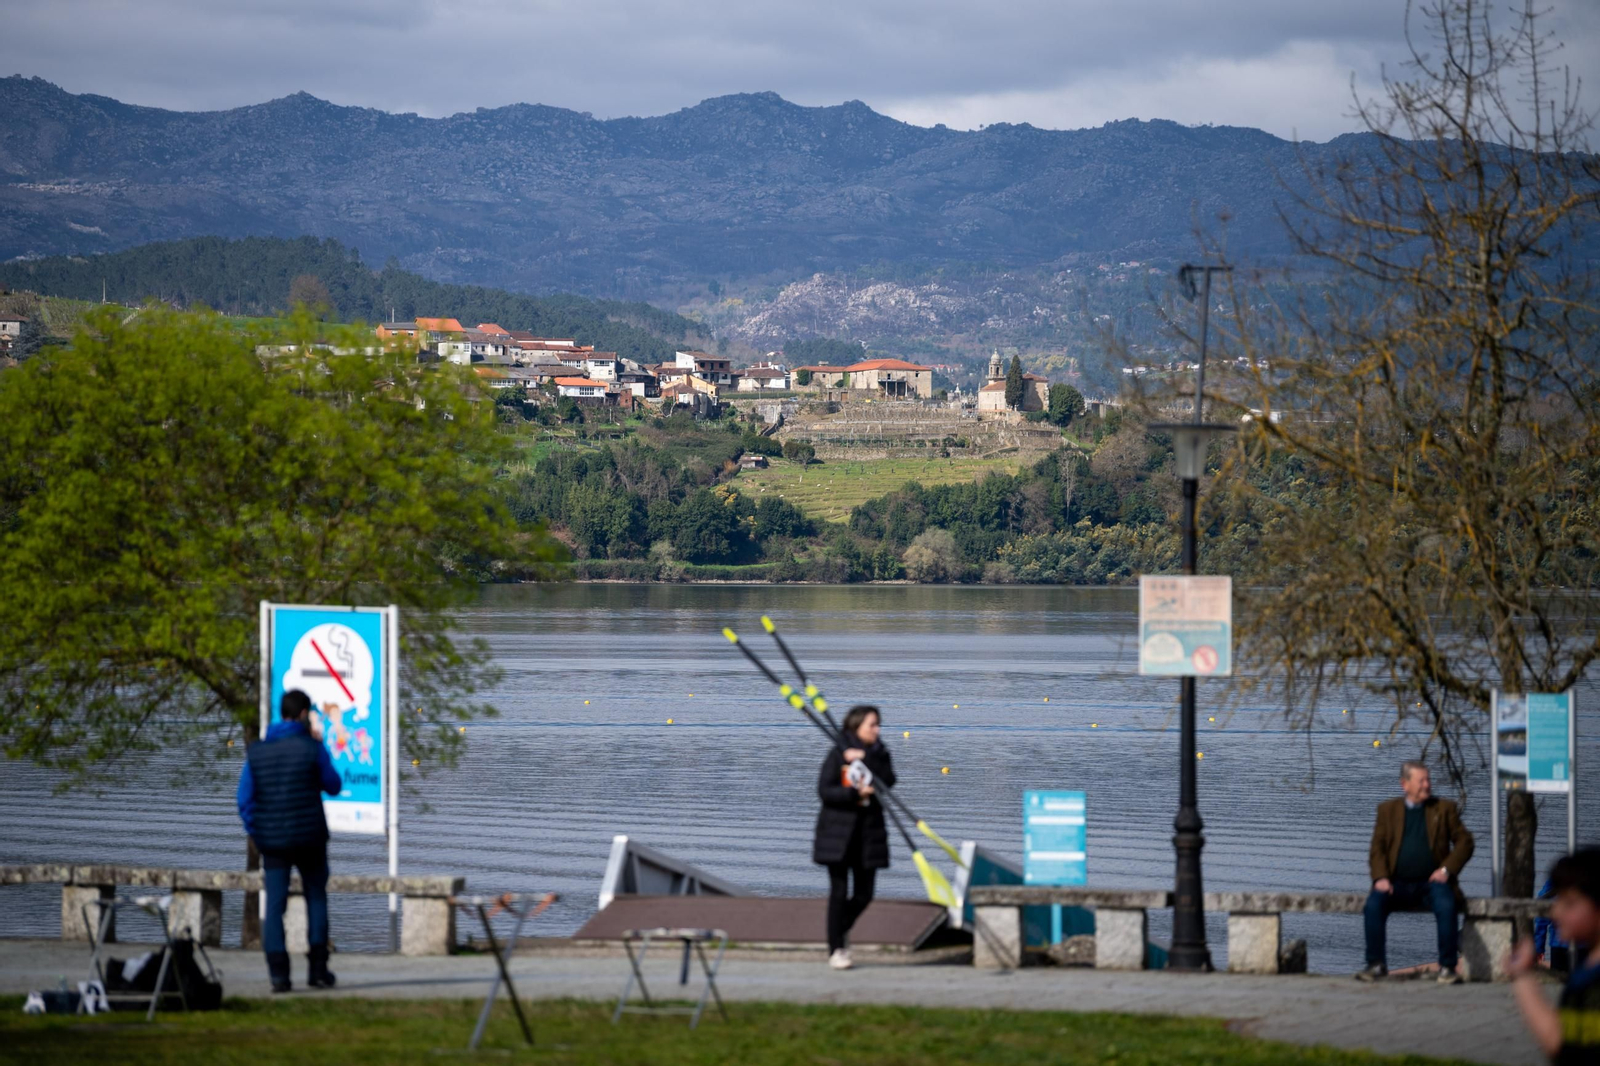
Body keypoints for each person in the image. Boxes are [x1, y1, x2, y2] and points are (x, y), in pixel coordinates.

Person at [237, 689, 342, 993]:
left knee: (275, 905)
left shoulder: (257, 751)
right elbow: (333, 785)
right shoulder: (312, 748)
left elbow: (244, 800)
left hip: (273, 842)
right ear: (301, 714)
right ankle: (318, 971)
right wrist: (321, 747)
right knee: (317, 898)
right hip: (310, 838)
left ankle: (279, 976)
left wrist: (258, 832)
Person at [1357, 760, 1475, 983]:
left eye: (1428, 780)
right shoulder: (1388, 810)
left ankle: (1447, 967)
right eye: (1421, 781)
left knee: (1446, 905)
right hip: (1395, 883)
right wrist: (1380, 877)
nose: (1427, 785)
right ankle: (1375, 964)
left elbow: (1465, 842)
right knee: (1373, 905)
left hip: (1432, 884)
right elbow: (1377, 848)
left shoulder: (1443, 809)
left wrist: (1445, 870)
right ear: (1405, 784)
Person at [813, 705, 895, 971]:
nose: (877, 729)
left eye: (878, 725)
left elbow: (889, 780)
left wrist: (866, 760)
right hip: (837, 834)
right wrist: (855, 794)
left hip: (868, 834)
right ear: (857, 727)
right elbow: (825, 791)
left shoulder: (879, 752)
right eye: (872, 725)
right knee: (838, 892)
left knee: (864, 894)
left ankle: (838, 931)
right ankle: (836, 948)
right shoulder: (838, 753)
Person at [1507, 848, 1600, 1064]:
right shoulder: (1583, 978)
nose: (1556, 912)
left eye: (1569, 903)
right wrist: (1523, 977)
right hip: (1559, 948)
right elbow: (1561, 1044)